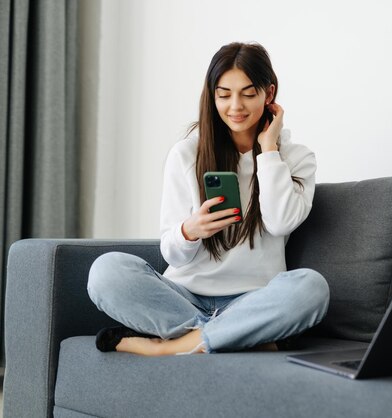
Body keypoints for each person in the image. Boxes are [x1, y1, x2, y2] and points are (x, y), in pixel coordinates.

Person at [87, 42, 330, 356]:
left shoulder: (297, 158)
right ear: (212, 95)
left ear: (268, 94)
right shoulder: (187, 153)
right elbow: (172, 253)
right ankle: (237, 337)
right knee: (107, 271)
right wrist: (191, 230)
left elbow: (280, 222)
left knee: (311, 288)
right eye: (224, 94)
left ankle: (171, 347)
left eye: (248, 93)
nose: (235, 106)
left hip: (252, 299)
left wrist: (269, 150)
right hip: (184, 296)